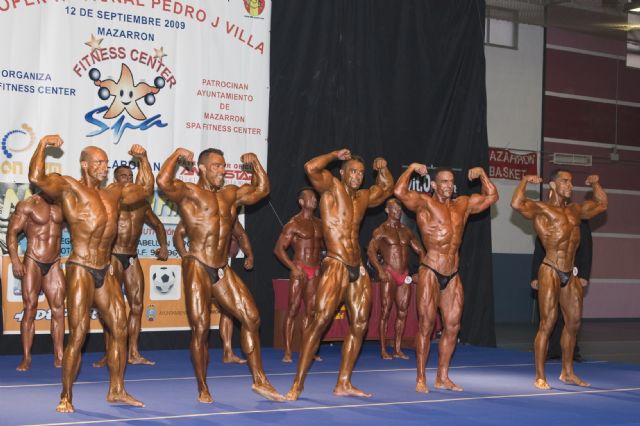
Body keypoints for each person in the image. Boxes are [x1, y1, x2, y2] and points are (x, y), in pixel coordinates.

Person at [29, 135, 152, 412]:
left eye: (106, 163)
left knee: (120, 327)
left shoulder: (114, 192)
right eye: (98, 162)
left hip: (104, 268)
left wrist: (143, 159)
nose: (103, 167)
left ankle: (117, 390)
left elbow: (145, 189)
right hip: (81, 267)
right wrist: (42, 146)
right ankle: (66, 396)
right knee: (79, 334)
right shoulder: (69, 187)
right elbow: (37, 178)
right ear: (84, 164)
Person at [156, 147, 284, 403]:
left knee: (252, 317)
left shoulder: (230, 194)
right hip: (197, 264)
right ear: (202, 168)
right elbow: (163, 182)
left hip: (221, 267)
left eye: (224, 166)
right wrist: (176, 155)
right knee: (201, 328)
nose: (222, 171)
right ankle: (203, 387)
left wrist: (256, 163)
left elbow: (262, 190)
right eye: (216, 166)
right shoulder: (189, 192)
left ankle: (260, 380)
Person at [286, 149, 394, 400]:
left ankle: (343, 382)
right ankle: (297, 384)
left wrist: (383, 168)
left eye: (361, 173)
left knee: (360, 324)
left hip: (358, 265)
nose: (357, 176)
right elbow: (310, 167)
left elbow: (387, 188)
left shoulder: (364, 196)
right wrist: (335, 155)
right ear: (343, 173)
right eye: (352, 171)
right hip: (336, 262)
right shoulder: (332, 188)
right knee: (319, 322)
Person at [394, 164, 498, 393]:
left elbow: (492, 196)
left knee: (452, 326)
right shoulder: (425, 203)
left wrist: (482, 174)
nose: (449, 185)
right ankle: (421, 378)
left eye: (451, 181)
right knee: (426, 325)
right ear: (434, 184)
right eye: (444, 181)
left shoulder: (463, 204)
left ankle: (442, 377)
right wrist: (411, 169)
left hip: (452, 273)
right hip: (431, 269)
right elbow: (399, 191)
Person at [512, 170, 606, 389]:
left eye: (571, 182)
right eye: (565, 181)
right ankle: (540, 376)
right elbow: (516, 204)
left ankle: (567, 372)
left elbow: (602, 204)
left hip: (570, 271)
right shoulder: (542, 208)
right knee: (548, 322)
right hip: (550, 268)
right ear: (553, 185)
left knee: (574, 323)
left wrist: (595, 184)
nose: (570, 185)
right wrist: (524, 181)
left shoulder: (575, 210)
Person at [93, 165, 169, 368]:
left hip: (132, 256)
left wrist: (163, 246)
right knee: (110, 307)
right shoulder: (109, 200)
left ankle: (133, 352)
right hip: (113, 256)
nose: (127, 179)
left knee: (137, 306)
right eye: (123, 176)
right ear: (115, 179)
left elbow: (158, 225)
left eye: (130, 176)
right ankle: (109, 353)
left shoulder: (142, 204)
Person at [173, 218, 254, 364]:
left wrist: (249, 255)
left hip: (221, 267)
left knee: (228, 310)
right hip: (199, 268)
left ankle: (228, 352)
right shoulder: (197, 211)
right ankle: (201, 357)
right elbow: (178, 233)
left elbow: (241, 234)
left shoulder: (228, 212)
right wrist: (184, 254)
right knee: (201, 317)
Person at [7, 186, 65, 371]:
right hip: (33, 260)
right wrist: (15, 260)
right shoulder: (28, 204)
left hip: (54, 262)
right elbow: (12, 232)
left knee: (58, 309)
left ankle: (59, 355)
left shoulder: (63, 205)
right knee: (30, 308)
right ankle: (26, 357)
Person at [367, 197, 425, 360]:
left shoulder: (406, 231)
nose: (397, 211)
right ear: (387, 210)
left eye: (399, 209)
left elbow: (421, 251)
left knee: (403, 312)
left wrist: (420, 271)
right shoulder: (381, 230)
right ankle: (383, 349)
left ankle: (398, 349)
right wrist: (380, 270)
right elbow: (371, 251)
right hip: (389, 272)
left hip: (404, 274)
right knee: (385, 311)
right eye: (393, 209)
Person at [273, 187, 324, 363]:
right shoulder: (294, 223)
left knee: (311, 312)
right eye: (310, 197)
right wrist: (293, 268)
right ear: (301, 202)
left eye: (315, 197)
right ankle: (288, 351)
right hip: (299, 268)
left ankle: (307, 350)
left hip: (315, 270)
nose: (314, 200)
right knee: (293, 309)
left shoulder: (320, 223)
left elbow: (326, 248)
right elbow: (278, 249)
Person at [531, 220, 592, 362]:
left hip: (572, 273)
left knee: (572, 317)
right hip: (549, 272)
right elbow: (539, 249)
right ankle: (551, 350)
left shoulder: (580, 221)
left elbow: (587, 248)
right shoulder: (549, 219)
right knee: (549, 316)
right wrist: (535, 276)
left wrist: (584, 274)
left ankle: (572, 352)